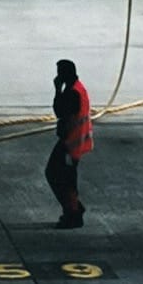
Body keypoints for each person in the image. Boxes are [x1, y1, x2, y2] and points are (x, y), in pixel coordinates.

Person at [46, 57, 92, 228]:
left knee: (58, 176)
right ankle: (73, 209)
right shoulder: (78, 88)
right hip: (75, 141)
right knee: (65, 178)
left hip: (70, 143)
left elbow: (59, 111)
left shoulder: (71, 93)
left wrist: (57, 90)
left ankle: (72, 212)